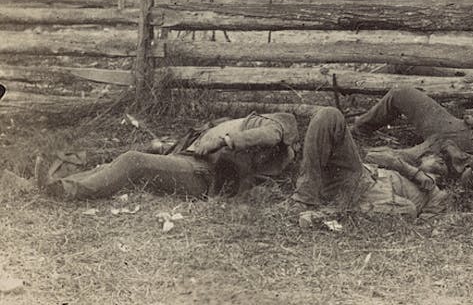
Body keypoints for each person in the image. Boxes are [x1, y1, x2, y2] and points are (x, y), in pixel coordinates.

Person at [35, 112, 299, 200]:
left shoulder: (280, 123)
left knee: (132, 160)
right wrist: (166, 147)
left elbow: (272, 135)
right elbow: (196, 144)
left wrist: (224, 140)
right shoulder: (243, 121)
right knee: (114, 164)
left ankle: (67, 191)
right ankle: (55, 185)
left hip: (203, 176)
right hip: (188, 162)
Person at [291, 107, 448, 217]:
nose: (441, 160)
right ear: (422, 158)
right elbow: (371, 157)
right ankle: (305, 197)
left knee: (409, 210)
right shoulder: (406, 164)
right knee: (330, 115)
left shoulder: (438, 194)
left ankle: (328, 214)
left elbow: (428, 221)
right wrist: (414, 173)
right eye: (436, 157)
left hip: (377, 201)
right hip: (356, 179)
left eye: (445, 164)